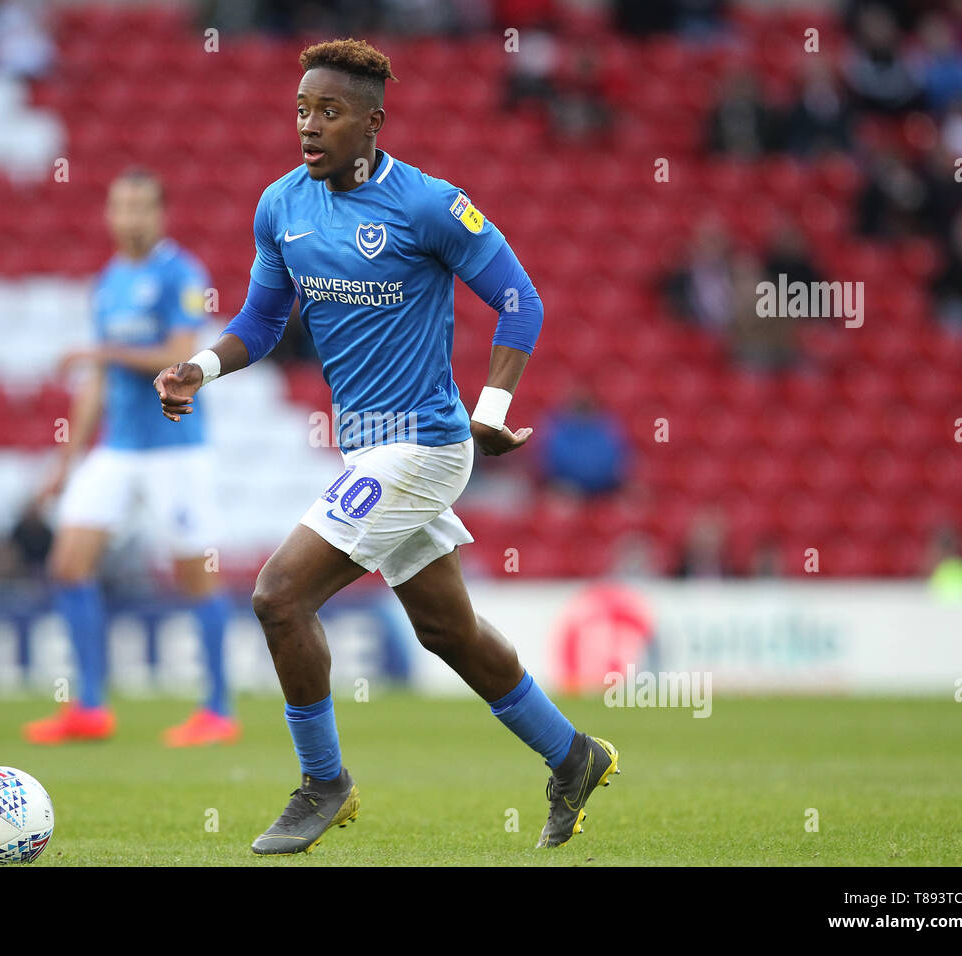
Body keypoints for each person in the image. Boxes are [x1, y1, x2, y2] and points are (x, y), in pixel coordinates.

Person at [153, 39, 619, 855]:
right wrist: (197, 367)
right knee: (447, 631)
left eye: (328, 112)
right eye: (301, 110)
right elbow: (262, 324)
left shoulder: (431, 206)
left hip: (426, 447)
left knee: (278, 596)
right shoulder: (281, 207)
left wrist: (494, 405)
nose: (308, 126)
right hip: (364, 451)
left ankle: (324, 783)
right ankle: (572, 753)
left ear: (373, 122)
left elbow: (519, 300)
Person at [24, 169, 236, 748]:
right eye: (121, 206)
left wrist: (101, 350)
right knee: (68, 562)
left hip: (176, 448)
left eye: (141, 206)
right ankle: (90, 706)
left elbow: (179, 354)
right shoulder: (109, 282)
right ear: (109, 215)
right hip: (117, 449)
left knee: (196, 575)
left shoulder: (182, 274)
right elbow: (96, 382)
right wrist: (66, 462)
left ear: (160, 214)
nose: (130, 217)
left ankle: (218, 710)